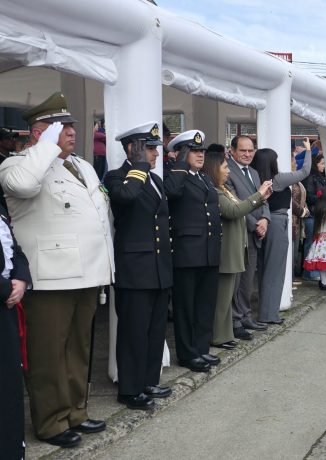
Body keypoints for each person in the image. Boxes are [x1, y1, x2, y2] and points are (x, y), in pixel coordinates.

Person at [0, 93, 114, 447]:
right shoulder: (17, 165)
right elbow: (22, 186)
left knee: (78, 349)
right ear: (38, 133)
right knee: (49, 353)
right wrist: (44, 148)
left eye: (70, 126)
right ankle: (50, 422)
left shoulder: (82, 165)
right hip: (51, 276)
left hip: (88, 272)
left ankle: (75, 412)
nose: (70, 132)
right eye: (60, 127)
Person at [104, 122, 173, 411]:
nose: (155, 154)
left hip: (157, 268)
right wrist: (140, 167)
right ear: (132, 149)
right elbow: (127, 197)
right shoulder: (116, 177)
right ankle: (129, 389)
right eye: (149, 148)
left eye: (156, 148)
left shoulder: (156, 180)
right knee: (133, 330)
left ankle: (147, 380)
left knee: (155, 329)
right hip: (134, 268)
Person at [163, 130, 221, 373]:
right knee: (186, 307)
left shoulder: (204, 178)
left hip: (208, 251)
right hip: (187, 252)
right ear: (182, 153)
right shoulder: (176, 176)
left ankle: (200, 349)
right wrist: (178, 163)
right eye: (194, 151)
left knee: (204, 304)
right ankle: (187, 353)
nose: (200, 155)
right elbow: (172, 193)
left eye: (201, 152)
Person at [202, 149, 271, 350]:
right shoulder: (215, 192)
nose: (228, 171)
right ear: (214, 169)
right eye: (224, 167)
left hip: (235, 249)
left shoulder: (224, 190)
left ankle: (225, 334)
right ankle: (218, 335)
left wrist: (259, 199)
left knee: (228, 295)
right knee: (222, 298)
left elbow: (240, 206)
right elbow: (234, 211)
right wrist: (258, 195)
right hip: (226, 251)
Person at [252, 141, 312, 325]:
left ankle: (265, 311)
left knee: (263, 270)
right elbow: (304, 172)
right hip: (277, 223)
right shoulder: (277, 179)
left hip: (261, 222)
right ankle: (269, 314)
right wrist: (308, 151)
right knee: (275, 270)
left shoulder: (255, 179)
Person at [225, 135, 271, 341]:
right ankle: (235, 320)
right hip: (240, 232)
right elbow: (235, 203)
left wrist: (265, 220)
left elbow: (264, 198)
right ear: (232, 150)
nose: (247, 154)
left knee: (247, 279)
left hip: (256, 232)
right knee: (236, 281)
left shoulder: (253, 172)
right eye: (243, 150)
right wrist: (255, 224)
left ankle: (245, 315)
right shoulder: (227, 172)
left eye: (251, 150)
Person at [0, 202, 31, 458]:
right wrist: (6, 289)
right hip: (3, 296)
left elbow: (15, 251)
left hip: (7, 303)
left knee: (9, 381)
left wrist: (21, 279)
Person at [304, 187, 326, 290]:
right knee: (325, 262)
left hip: (321, 238)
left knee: (323, 262)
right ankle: (324, 282)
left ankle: (323, 281)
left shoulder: (319, 208)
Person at [302, 150, 326, 281]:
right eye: (322, 163)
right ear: (315, 164)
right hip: (312, 214)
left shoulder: (322, 178)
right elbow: (309, 196)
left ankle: (314, 269)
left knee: (317, 242)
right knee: (310, 242)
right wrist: (322, 197)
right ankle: (309, 271)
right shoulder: (311, 178)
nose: (324, 166)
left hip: (320, 213)